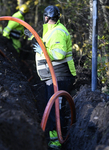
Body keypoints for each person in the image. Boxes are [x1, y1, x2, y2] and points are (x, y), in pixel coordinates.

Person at [33, 5, 76, 149]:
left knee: (56, 110)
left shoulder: (58, 32)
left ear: (46, 17)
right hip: (52, 77)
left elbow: (58, 54)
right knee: (52, 108)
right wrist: (33, 37)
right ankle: (52, 137)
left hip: (59, 76)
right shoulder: (51, 30)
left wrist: (43, 50)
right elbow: (48, 45)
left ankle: (57, 140)